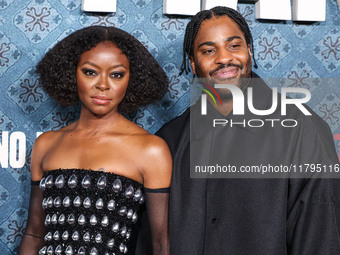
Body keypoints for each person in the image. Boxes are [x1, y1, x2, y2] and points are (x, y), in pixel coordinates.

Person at [155, 6, 340, 255]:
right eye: (209, 50)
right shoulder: (169, 140)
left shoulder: (303, 128)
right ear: (192, 63)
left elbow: (321, 238)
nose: (224, 58)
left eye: (234, 46)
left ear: (249, 50)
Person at [18, 25, 171, 255]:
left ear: (132, 79)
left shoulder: (150, 150)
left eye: (116, 74)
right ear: (72, 73)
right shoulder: (46, 144)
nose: (103, 85)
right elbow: (33, 234)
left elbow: (161, 243)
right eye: (90, 72)